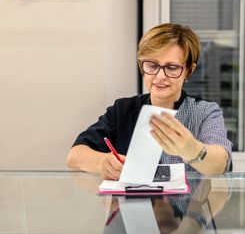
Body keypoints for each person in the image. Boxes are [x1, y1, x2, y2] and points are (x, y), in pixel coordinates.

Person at [67, 23, 232, 179]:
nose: (160, 76)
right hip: (132, 205)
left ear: (189, 71)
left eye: (172, 67)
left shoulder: (204, 112)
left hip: (186, 207)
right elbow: (75, 156)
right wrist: (102, 163)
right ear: (142, 67)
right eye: (152, 65)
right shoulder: (123, 109)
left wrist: (191, 149)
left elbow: (221, 164)